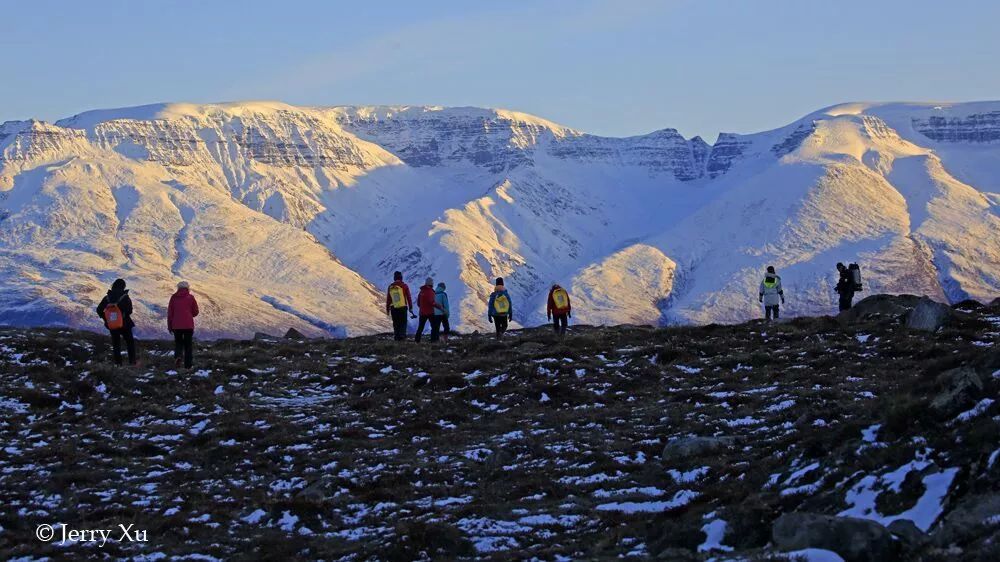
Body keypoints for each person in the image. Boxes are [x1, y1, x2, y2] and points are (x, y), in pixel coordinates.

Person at [96, 278, 137, 366]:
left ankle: (118, 364)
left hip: (112, 324)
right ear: (123, 286)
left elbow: (99, 309)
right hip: (125, 324)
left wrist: (106, 318)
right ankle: (132, 362)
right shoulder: (125, 297)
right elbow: (130, 311)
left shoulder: (107, 297)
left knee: (116, 344)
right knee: (130, 343)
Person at [167, 281, 199, 369]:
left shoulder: (173, 298)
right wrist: (189, 314)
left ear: (178, 288)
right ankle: (188, 365)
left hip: (176, 325)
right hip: (188, 325)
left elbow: (170, 313)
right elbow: (195, 311)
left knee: (178, 343)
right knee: (188, 345)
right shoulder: (191, 297)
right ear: (188, 288)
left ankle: (178, 357)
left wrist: (170, 326)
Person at [386, 271, 414, 341]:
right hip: (403, 307)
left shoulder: (391, 286)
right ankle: (402, 337)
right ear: (401, 277)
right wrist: (410, 307)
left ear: (394, 278)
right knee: (403, 322)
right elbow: (408, 297)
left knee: (396, 323)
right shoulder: (404, 286)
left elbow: (388, 299)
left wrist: (387, 309)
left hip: (393, 307)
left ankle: (396, 337)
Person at [414, 278, 437, 343]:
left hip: (422, 312)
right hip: (430, 312)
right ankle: (433, 340)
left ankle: (417, 340)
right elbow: (432, 302)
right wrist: (439, 306)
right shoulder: (431, 292)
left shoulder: (421, 291)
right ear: (431, 284)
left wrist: (422, 307)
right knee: (434, 326)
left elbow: (418, 303)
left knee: (420, 327)